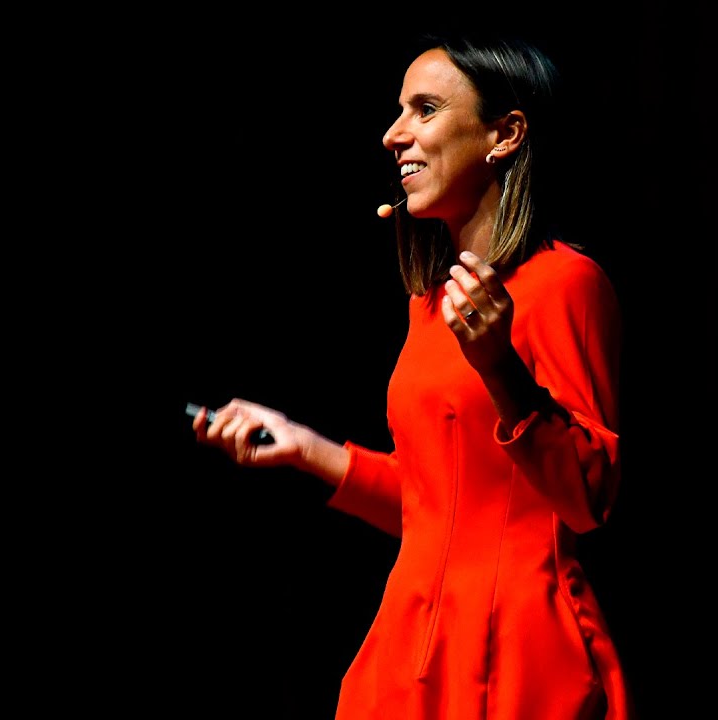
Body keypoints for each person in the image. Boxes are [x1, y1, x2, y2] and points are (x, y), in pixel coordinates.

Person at [192, 31, 632, 719]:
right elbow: (439, 503)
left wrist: (501, 369)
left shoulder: (567, 283)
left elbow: (589, 497)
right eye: (400, 111)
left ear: (505, 134)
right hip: (410, 645)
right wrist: (304, 447)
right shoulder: (428, 302)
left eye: (424, 109)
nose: (394, 134)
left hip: (513, 650)